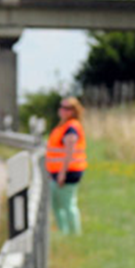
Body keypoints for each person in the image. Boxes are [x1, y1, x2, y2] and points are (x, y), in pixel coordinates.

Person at [46, 96, 88, 235]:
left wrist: (62, 174)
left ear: (73, 111)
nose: (62, 110)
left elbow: (69, 152)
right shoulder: (63, 126)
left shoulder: (71, 128)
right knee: (57, 205)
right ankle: (64, 232)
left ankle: (74, 233)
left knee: (68, 205)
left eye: (67, 108)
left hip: (67, 172)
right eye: (62, 107)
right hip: (59, 172)